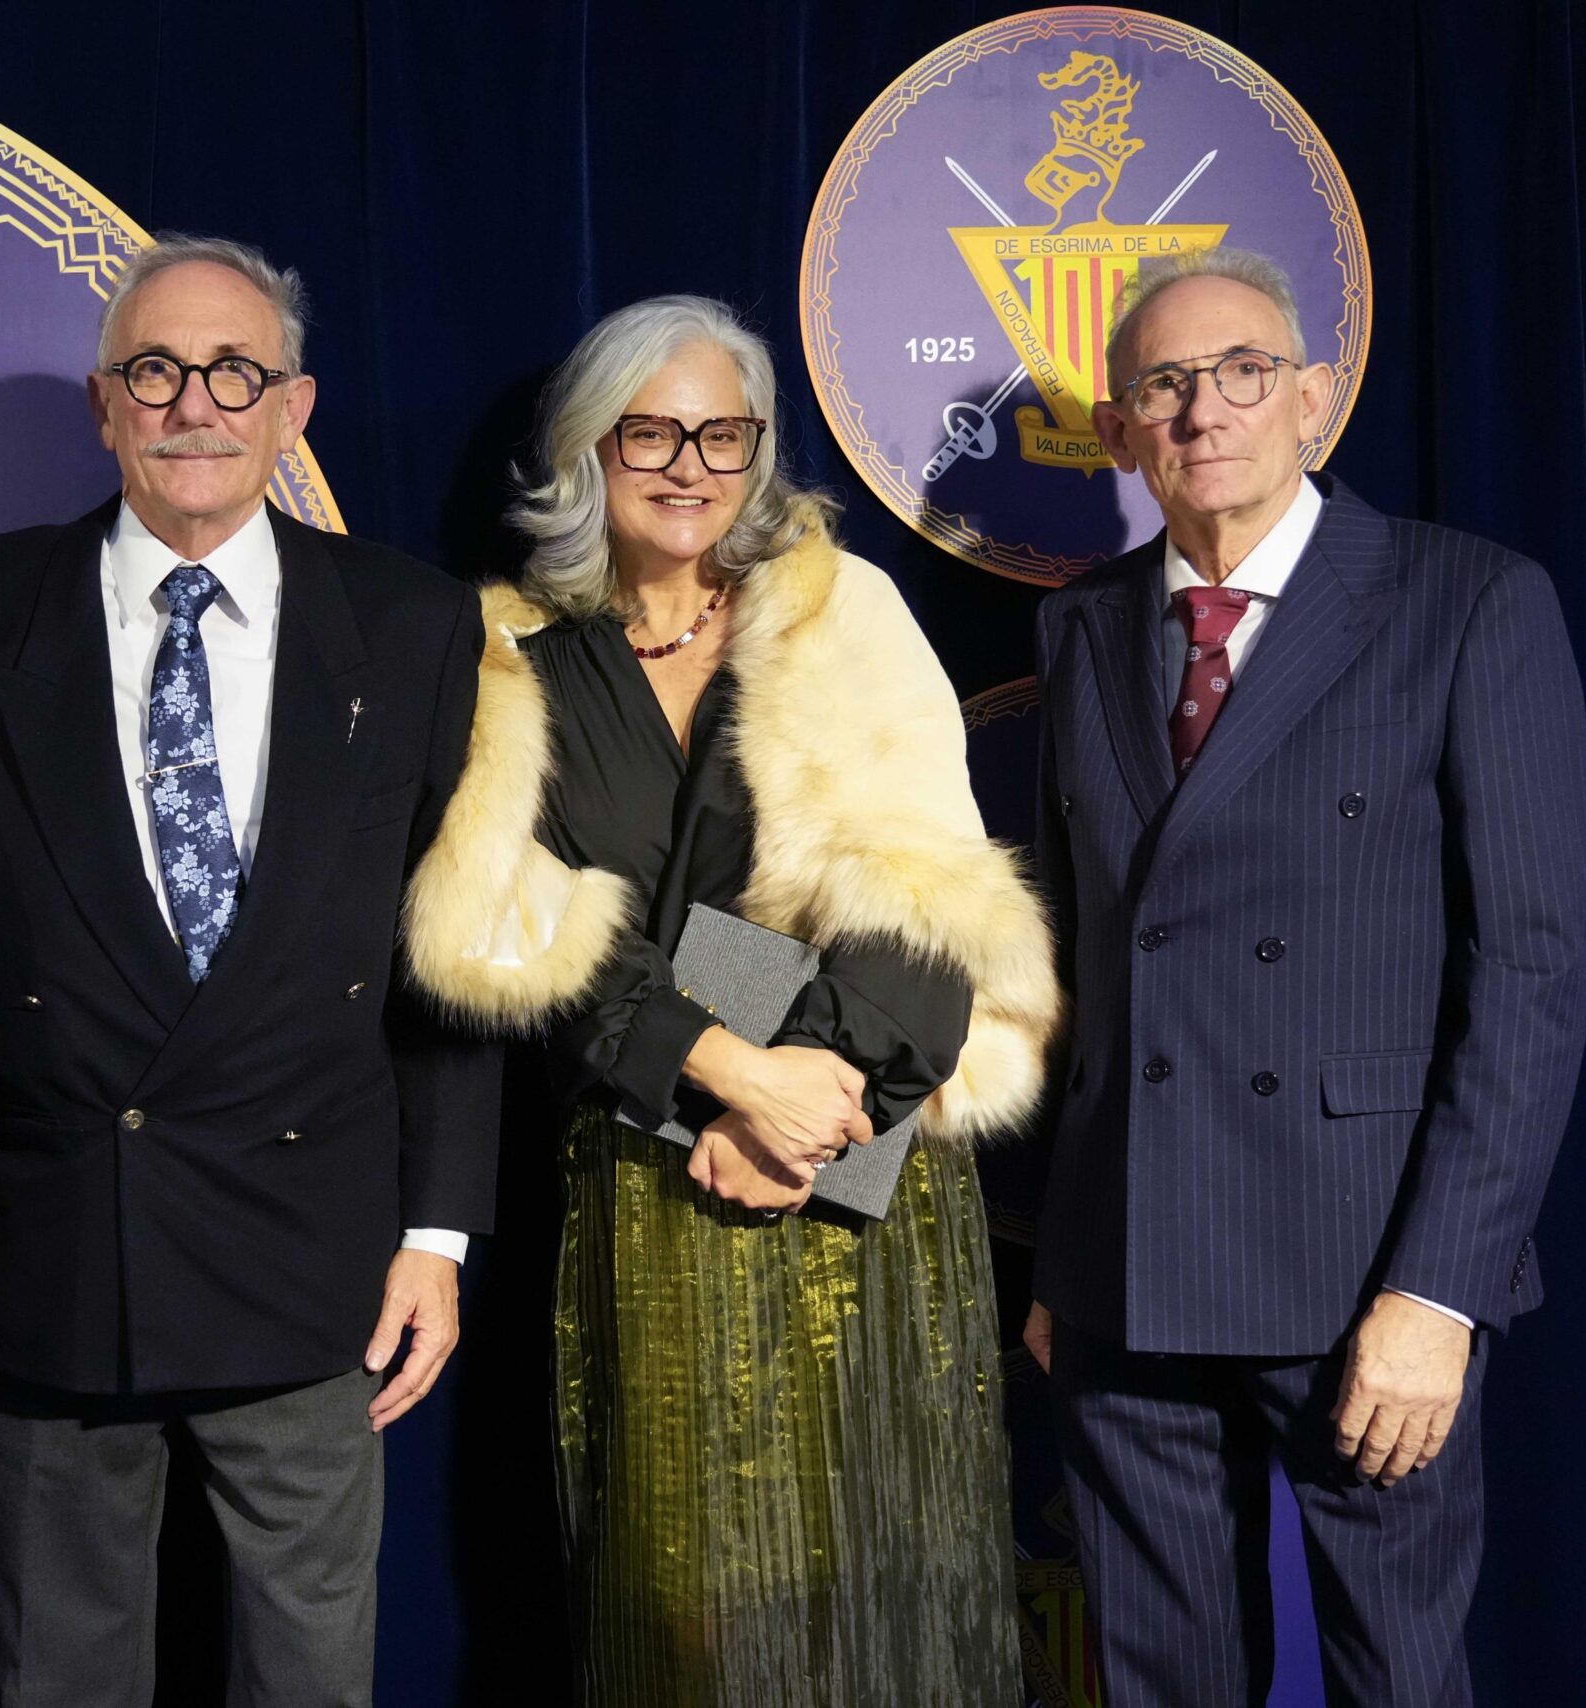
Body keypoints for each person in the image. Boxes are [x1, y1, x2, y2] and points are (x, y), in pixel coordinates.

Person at [402, 295, 1061, 1706]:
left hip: (868, 1160)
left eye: (724, 434)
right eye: (652, 432)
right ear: (589, 447)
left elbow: (925, 892)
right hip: (654, 1167)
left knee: (894, 1603)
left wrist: (814, 1101)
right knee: (689, 1616)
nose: (690, 465)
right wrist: (733, 1071)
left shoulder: (840, 608)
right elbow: (520, 932)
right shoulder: (507, 655)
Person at [0, 235, 498, 1708]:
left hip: (314, 1252)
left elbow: (455, 950)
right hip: (54, 1244)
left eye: (235, 373)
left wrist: (437, 1232)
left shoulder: (413, 623)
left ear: (295, 407)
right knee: (61, 1672)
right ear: (106, 403)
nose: (194, 406)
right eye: (156, 370)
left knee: (308, 1673)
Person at [1023, 247, 1586, 1705]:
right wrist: (1059, 1254)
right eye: (1165, 384)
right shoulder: (1081, 626)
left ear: (1314, 398)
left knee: (1397, 1677)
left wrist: (1441, 1294)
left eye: (1243, 371)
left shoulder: (1467, 602)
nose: (1204, 409)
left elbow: (1531, 975)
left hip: (1363, 1269)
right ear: (1120, 433)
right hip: (1126, 1267)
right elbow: (1071, 958)